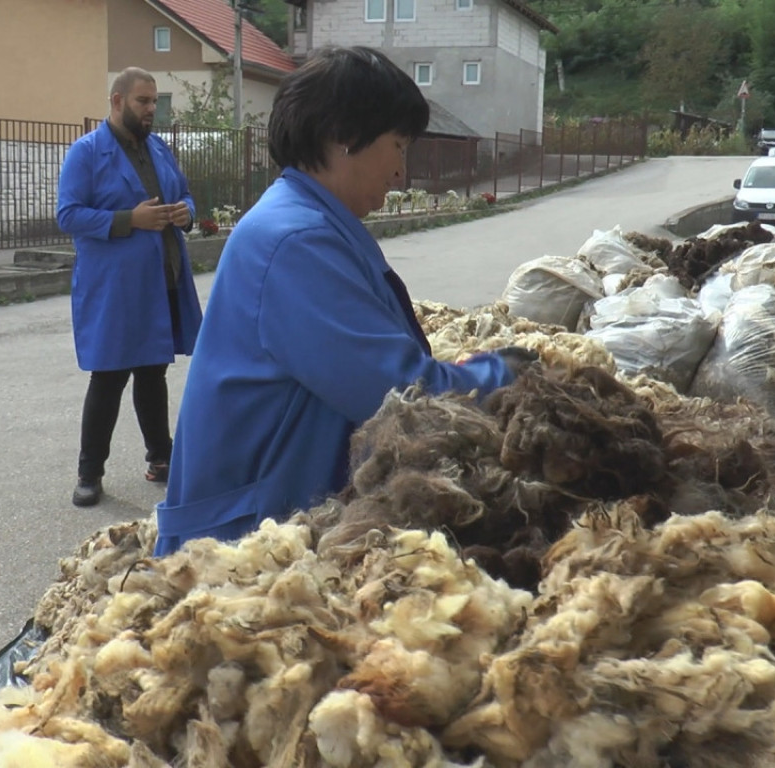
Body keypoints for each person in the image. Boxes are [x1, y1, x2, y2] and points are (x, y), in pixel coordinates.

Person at [152, 46, 535, 557]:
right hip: (246, 541)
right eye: (398, 146)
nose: (401, 171)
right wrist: (504, 373)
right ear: (343, 138)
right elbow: (397, 394)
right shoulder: (295, 240)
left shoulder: (312, 220)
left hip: (276, 511)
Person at [56, 67, 203, 508]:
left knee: (153, 370)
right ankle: (89, 472)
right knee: (109, 375)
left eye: (154, 101)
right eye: (143, 101)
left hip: (161, 279)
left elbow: (188, 196)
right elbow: (69, 215)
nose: (150, 109)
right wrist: (128, 220)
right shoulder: (86, 153)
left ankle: (161, 457)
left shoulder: (158, 149)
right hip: (116, 287)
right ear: (117, 101)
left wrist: (185, 213)